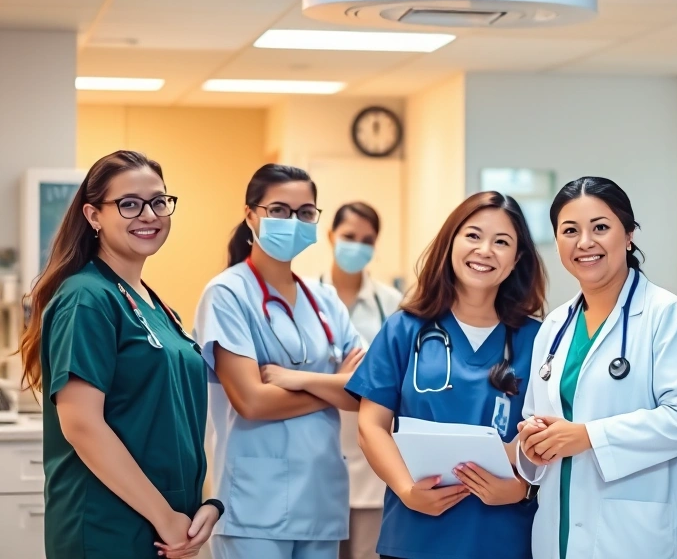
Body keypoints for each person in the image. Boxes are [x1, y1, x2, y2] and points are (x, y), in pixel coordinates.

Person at [20, 150, 220, 559]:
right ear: (94, 216)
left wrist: (205, 506)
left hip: (165, 527)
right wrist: (165, 518)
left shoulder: (157, 306)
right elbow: (82, 426)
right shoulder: (87, 298)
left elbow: (175, 421)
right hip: (107, 527)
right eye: (129, 204)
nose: (148, 214)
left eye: (159, 201)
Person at [517, 176, 677, 559]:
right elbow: (534, 418)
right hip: (555, 528)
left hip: (631, 535)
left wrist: (589, 436)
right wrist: (533, 442)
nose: (585, 243)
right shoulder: (554, 327)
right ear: (556, 241)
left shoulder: (667, 315)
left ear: (629, 235)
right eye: (570, 230)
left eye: (601, 228)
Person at [345, 191, 546, 559]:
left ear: (517, 259)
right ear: (450, 241)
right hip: (415, 534)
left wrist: (522, 489)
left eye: (501, 242)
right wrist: (407, 490)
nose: (484, 250)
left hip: (503, 536)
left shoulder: (539, 340)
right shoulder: (404, 329)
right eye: (472, 235)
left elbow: (549, 437)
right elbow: (370, 427)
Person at [193, 164, 364, 559]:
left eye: (305, 213)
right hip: (254, 502)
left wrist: (294, 379)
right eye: (280, 211)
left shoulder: (326, 302)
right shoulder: (227, 294)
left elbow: (366, 392)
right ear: (251, 214)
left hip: (320, 498)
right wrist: (330, 385)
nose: (293, 221)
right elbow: (252, 402)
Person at [318, 202, 403, 559]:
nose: (357, 246)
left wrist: (322, 382)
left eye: (367, 240)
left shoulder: (393, 304)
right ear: (330, 236)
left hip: (371, 467)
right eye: (349, 236)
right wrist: (340, 382)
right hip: (319, 459)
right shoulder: (307, 297)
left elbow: (396, 383)